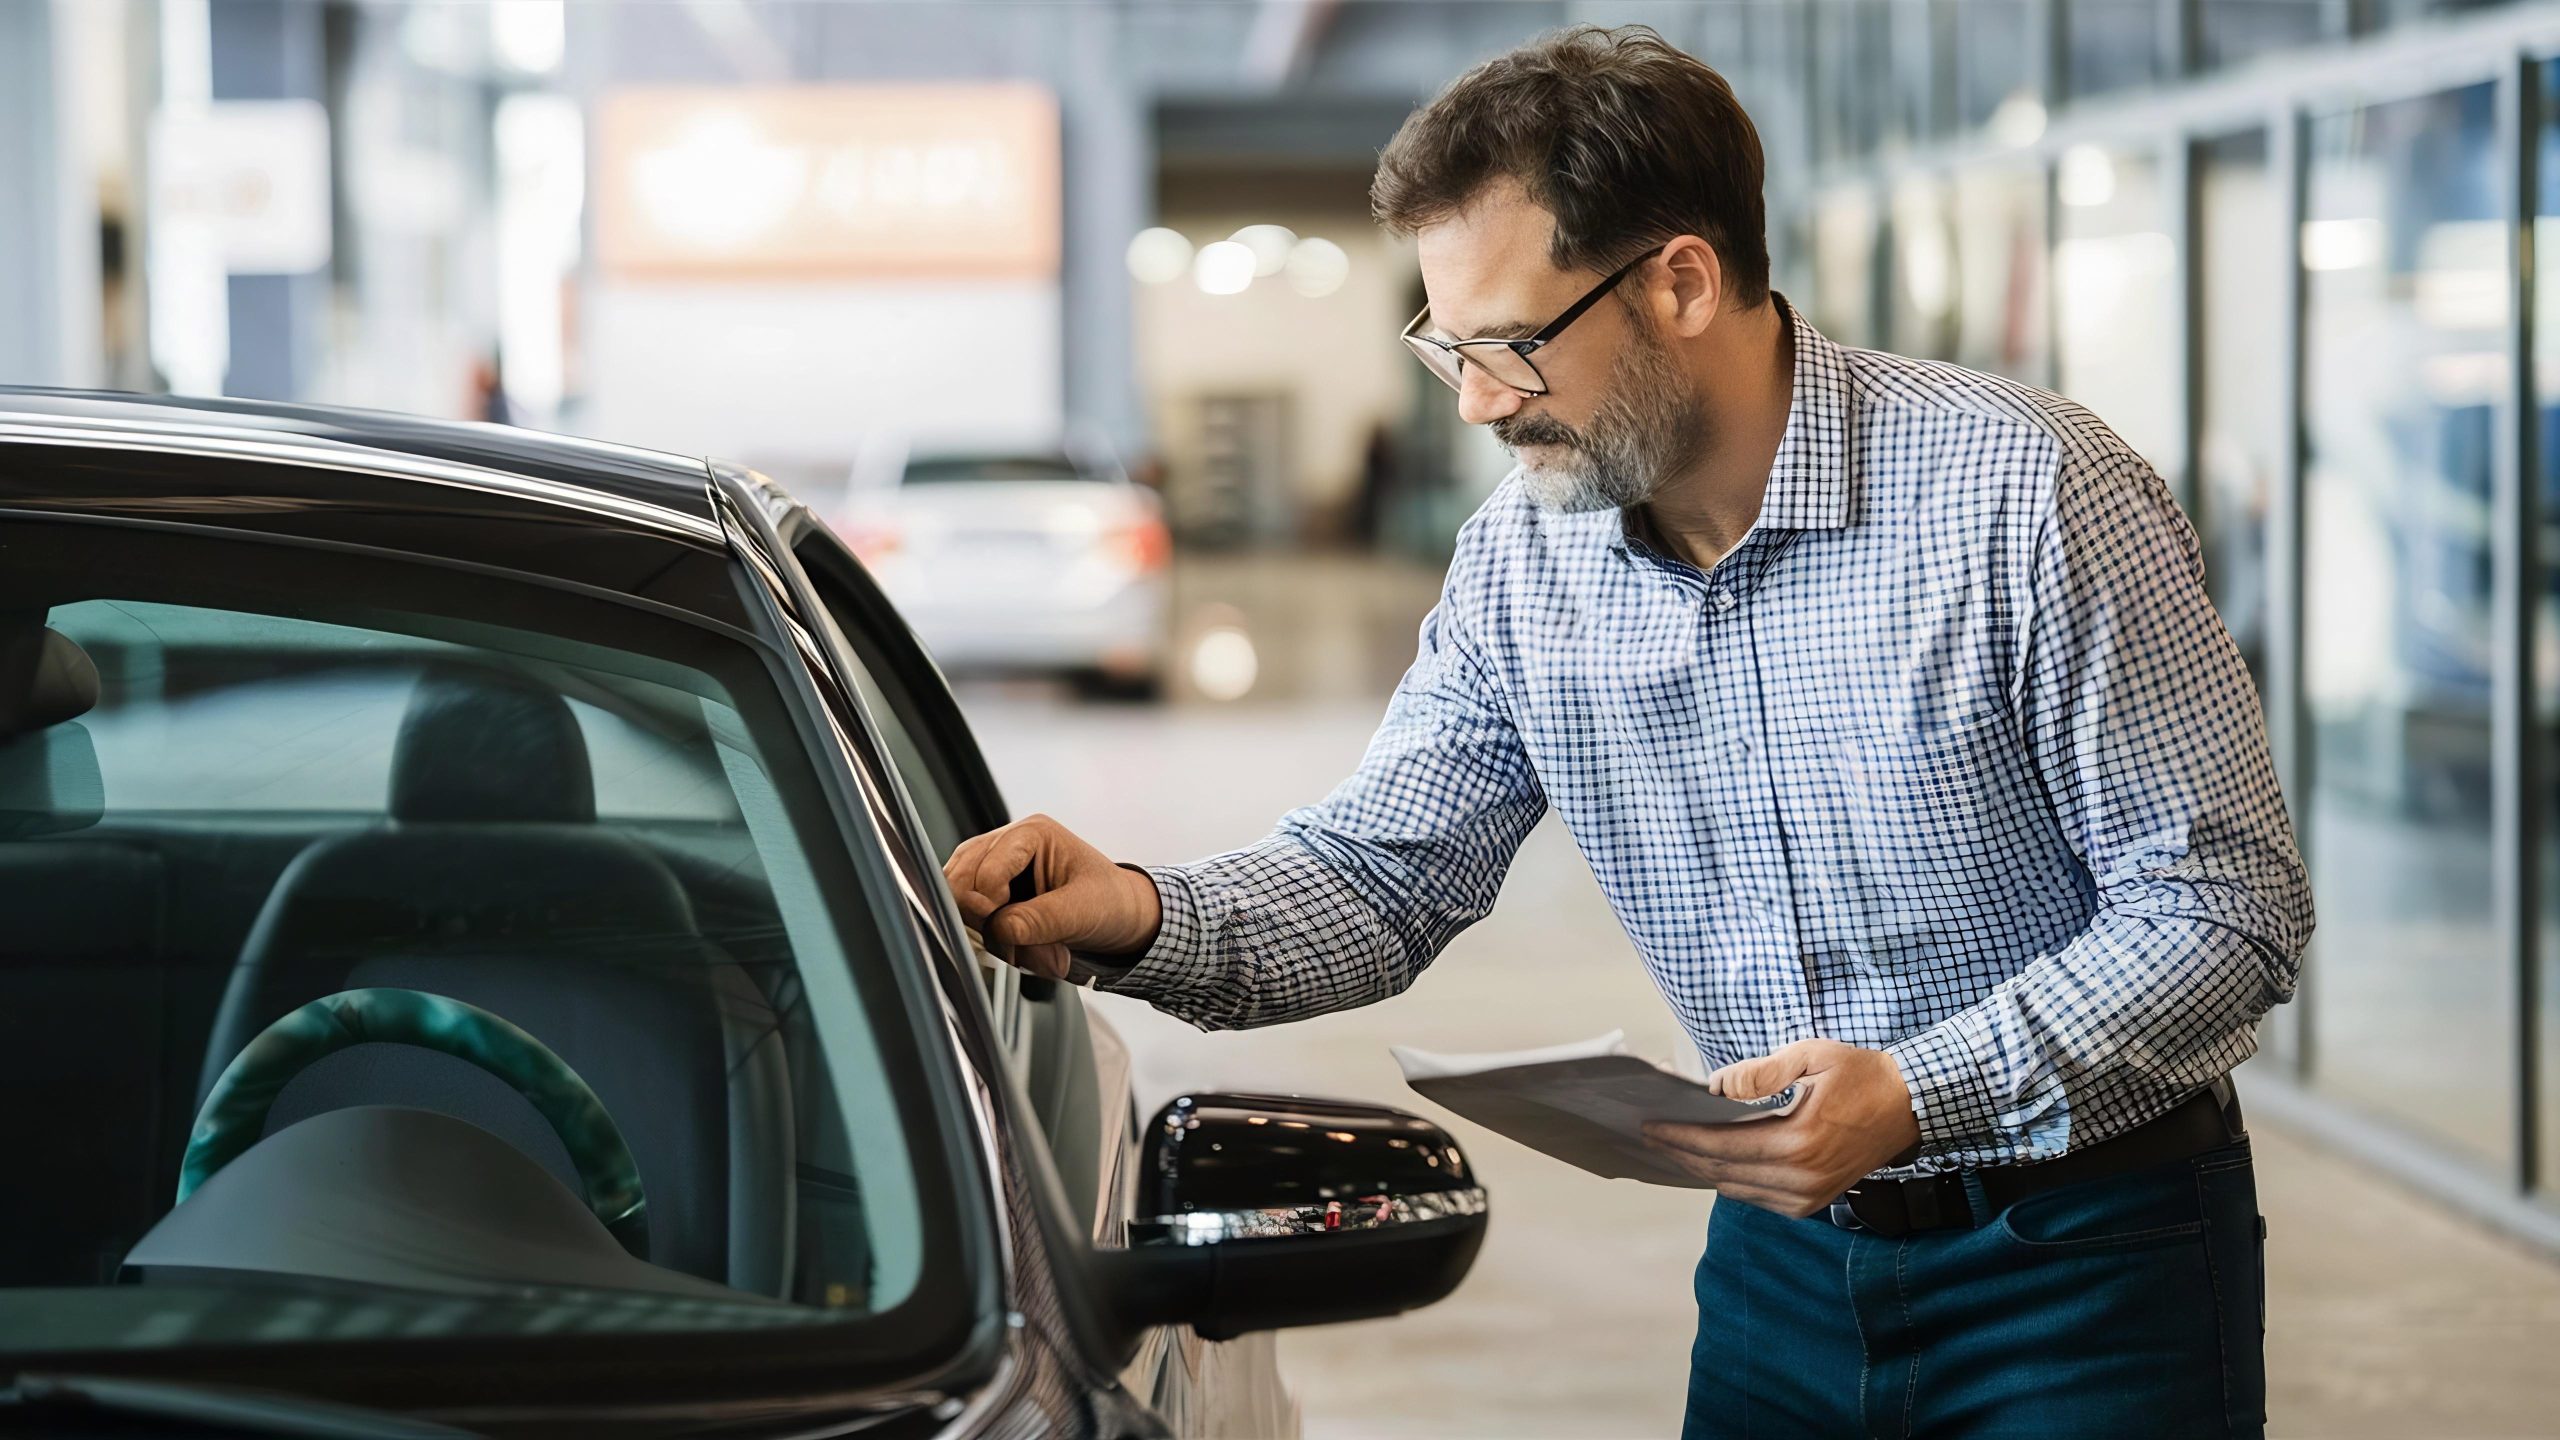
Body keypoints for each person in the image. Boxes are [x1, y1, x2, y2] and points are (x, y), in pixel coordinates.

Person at [944, 26, 2308, 1439]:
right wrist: (1136, 914)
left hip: (2087, 1265)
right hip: (1781, 1266)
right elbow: (1381, 876)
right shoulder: (1526, 571)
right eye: (1445, 349)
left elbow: (2225, 912)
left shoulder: (2031, 496)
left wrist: (1912, 1094)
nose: (1476, 401)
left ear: (1682, 280)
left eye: (1511, 345)